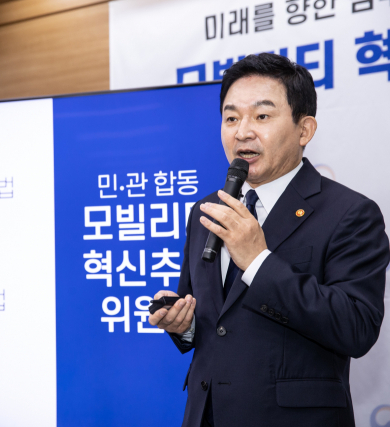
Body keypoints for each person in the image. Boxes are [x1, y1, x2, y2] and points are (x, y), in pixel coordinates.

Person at [149, 53, 389, 427]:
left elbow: (355, 328)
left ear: (304, 130)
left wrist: (258, 261)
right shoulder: (207, 210)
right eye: (231, 118)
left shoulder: (350, 213)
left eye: (262, 116)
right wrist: (183, 324)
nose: (242, 132)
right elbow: (217, 322)